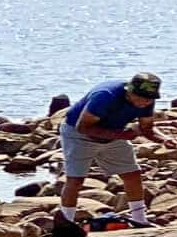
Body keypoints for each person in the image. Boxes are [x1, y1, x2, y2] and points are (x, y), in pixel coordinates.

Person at [58, 72, 165, 227]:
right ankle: (66, 224)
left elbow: (147, 128)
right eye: (141, 97)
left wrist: (165, 140)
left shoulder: (147, 102)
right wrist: (121, 134)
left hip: (115, 134)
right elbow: (83, 127)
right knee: (75, 180)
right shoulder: (105, 96)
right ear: (130, 91)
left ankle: (139, 219)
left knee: (132, 174)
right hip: (77, 134)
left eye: (149, 99)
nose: (144, 102)